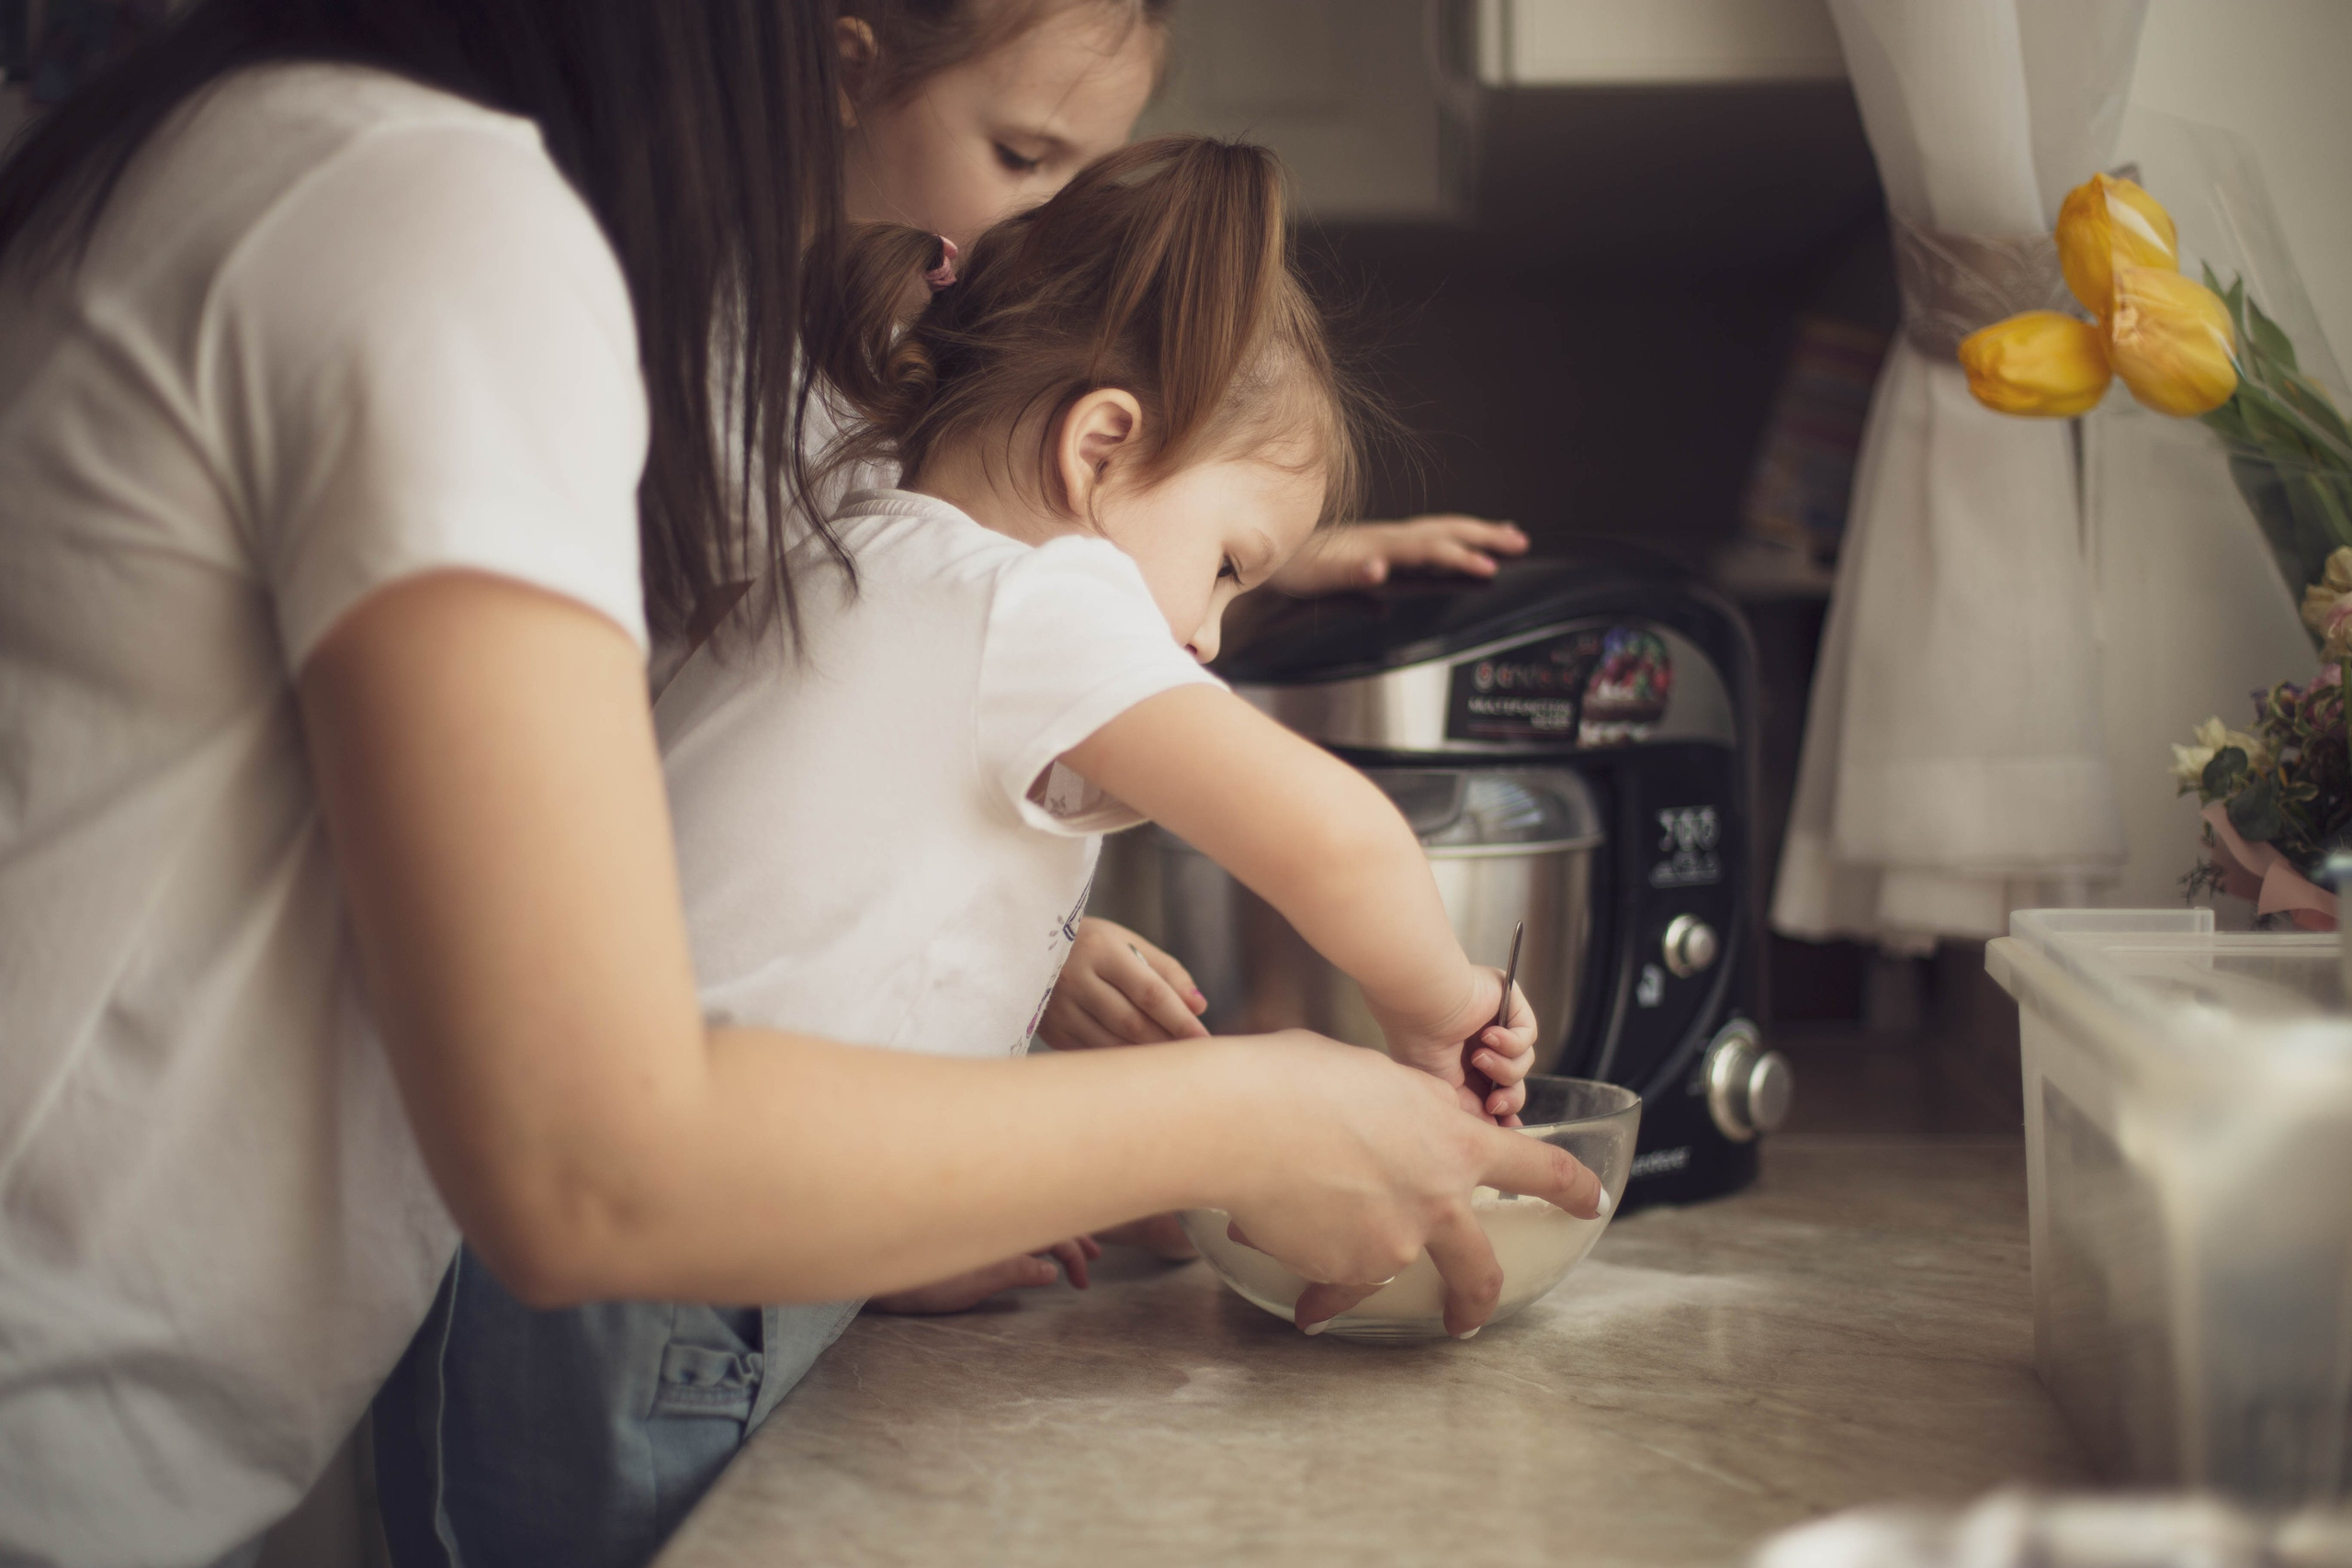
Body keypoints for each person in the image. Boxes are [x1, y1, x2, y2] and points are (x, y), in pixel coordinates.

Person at [0, 4, 1598, 1564]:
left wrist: (922, 1126)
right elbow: (599, 1155)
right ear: (824, 43)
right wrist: (1293, 1089)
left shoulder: (308, 183)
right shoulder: (432, 224)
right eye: (1026, 152)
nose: (1016, 248)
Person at [397, 135, 1566, 1566]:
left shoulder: (861, 548)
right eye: (1229, 568)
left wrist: (868, 1250)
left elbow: (821, 958)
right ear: (1099, 449)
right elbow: (1331, 832)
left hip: (639, 1261)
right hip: (649, 1290)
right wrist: (1443, 1006)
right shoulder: (1033, 591)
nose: (1207, 639)